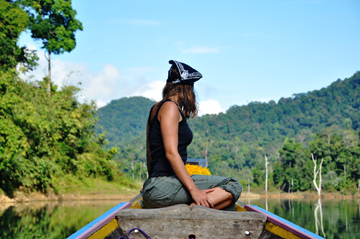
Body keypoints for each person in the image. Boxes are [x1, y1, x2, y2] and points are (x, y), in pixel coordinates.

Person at [142, 60, 242, 211]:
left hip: (157, 187)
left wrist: (149, 184)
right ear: (185, 87)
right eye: (191, 87)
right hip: (163, 187)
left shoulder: (155, 108)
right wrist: (195, 191)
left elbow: (150, 153)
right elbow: (171, 153)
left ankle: (195, 210)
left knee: (228, 204)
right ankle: (191, 212)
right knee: (232, 185)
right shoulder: (170, 107)